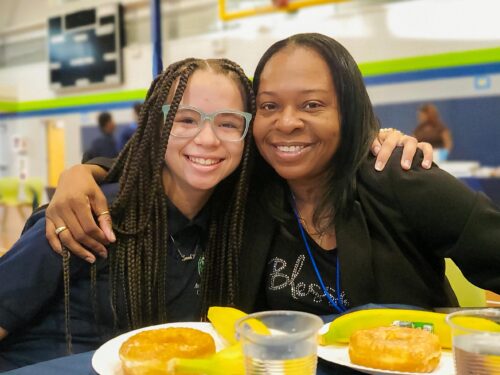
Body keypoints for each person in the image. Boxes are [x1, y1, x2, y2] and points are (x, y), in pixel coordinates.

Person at [47, 34, 499, 315]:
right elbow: (176, 161)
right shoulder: (248, 191)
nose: (286, 122)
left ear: (351, 111)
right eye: (267, 106)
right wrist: (84, 173)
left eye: (312, 104)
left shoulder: (399, 177)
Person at [0, 57, 257, 369]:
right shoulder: (87, 214)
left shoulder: (227, 228)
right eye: (185, 120)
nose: (207, 138)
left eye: (228, 123)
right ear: (156, 127)